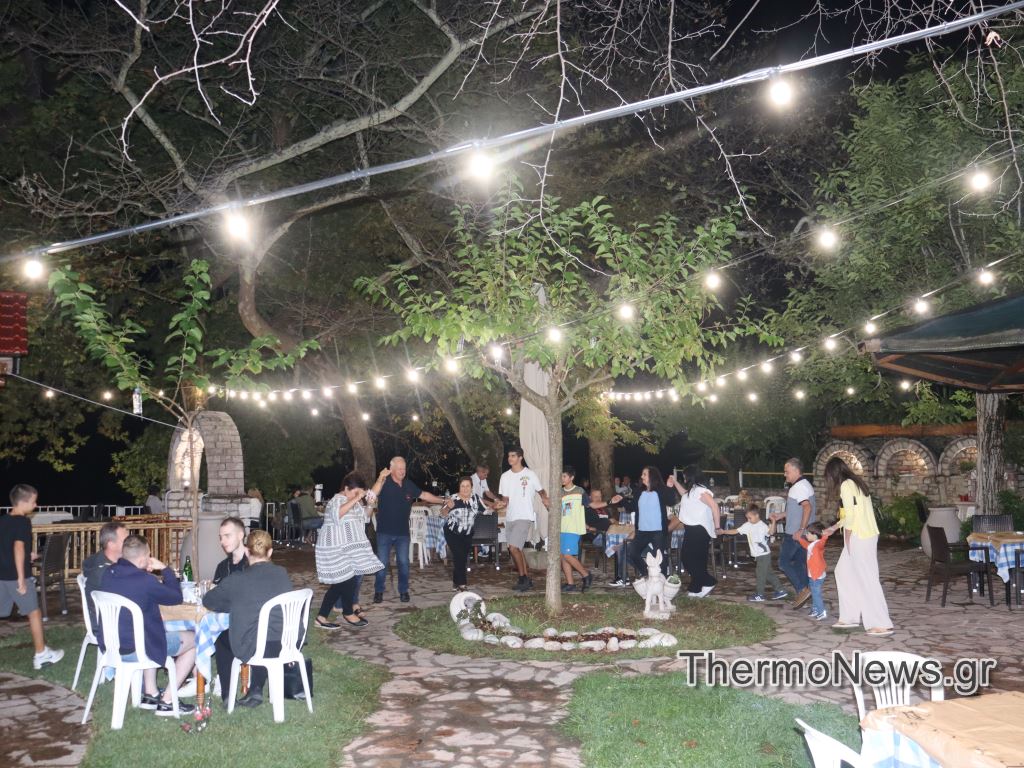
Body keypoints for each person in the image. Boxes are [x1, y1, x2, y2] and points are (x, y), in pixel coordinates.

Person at [101, 535, 196, 715]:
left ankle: (151, 693)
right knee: (195, 640)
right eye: (149, 555)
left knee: (151, 631)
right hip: (136, 649)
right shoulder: (144, 581)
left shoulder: (109, 573)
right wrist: (165, 570)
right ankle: (168, 700)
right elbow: (176, 597)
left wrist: (145, 573)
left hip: (112, 646)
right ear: (142, 559)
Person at [202, 530, 294, 708]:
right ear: (270, 552)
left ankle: (228, 696)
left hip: (258, 646)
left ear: (246, 551)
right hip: (285, 642)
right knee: (261, 631)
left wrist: (231, 604)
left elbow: (209, 601)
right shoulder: (282, 573)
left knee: (223, 640)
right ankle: (256, 689)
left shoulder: (238, 579)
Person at [821, 457, 894, 637]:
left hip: (860, 536)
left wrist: (847, 540)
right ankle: (850, 617)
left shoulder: (846, 485)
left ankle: (881, 624)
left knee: (867, 578)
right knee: (842, 572)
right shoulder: (855, 483)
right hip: (864, 535)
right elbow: (850, 514)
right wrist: (834, 527)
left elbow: (852, 518)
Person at [0, 484, 65, 670]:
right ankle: (41, 655)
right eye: (34, 501)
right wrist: (21, 579)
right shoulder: (23, 522)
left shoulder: (3, 520)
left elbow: (7, 547)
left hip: (2, 575)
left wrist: (28, 556)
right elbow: (18, 547)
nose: (36, 505)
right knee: (34, 612)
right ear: (23, 502)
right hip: (16, 576)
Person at [369, 457, 446, 603]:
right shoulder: (384, 482)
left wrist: (443, 500)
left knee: (404, 563)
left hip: (403, 533)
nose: (402, 471)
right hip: (384, 532)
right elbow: (371, 496)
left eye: (404, 468)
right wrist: (380, 478)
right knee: (382, 563)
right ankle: (378, 591)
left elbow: (424, 495)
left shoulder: (408, 484)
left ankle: (403, 591)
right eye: (399, 469)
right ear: (391, 469)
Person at [314, 473, 383, 629]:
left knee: (343, 583)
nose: (357, 495)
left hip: (346, 548)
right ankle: (347, 613)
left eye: (359, 493)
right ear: (346, 488)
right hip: (333, 548)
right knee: (347, 581)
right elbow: (337, 515)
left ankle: (323, 617)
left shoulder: (353, 502)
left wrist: (370, 505)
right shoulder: (336, 500)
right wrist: (357, 498)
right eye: (355, 492)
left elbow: (365, 518)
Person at [498, 447, 549, 592]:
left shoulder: (530, 474)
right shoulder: (505, 476)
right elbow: (505, 499)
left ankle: (523, 578)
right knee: (516, 548)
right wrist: (500, 504)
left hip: (524, 516)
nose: (510, 458)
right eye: (509, 456)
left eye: (513, 456)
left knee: (513, 548)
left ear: (520, 458)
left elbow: (540, 490)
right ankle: (526, 578)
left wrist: (545, 499)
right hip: (510, 517)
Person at [770, 458, 817, 609]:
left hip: (795, 534)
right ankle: (805, 595)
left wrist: (800, 529)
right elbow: (798, 508)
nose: (785, 475)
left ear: (796, 471)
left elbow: (807, 507)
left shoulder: (797, 488)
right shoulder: (805, 484)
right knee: (799, 564)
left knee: (783, 563)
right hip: (804, 533)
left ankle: (802, 590)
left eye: (787, 471)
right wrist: (781, 515)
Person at [718, 506, 787, 602]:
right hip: (759, 555)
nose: (748, 520)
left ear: (757, 515)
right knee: (768, 574)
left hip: (764, 555)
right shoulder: (748, 525)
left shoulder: (762, 526)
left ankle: (760, 595)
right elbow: (736, 531)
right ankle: (781, 590)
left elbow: (771, 532)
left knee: (760, 574)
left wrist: (774, 521)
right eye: (747, 518)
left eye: (750, 518)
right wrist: (724, 531)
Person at [627, 467, 680, 581]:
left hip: (658, 531)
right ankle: (648, 574)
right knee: (632, 553)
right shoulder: (639, 491)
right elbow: (631, 507)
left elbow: (671, 501)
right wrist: (621, 500)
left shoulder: (660, 490)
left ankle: (662, 580)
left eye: (644, 474)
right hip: (642, 531)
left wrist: (670, 488)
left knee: (659, 557)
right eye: (642, 474)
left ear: (652, 476)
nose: (642, 476)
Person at [674, 466, 719, 597]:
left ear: (690, 476)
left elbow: (714, 506)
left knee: (688, 559)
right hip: (692, 529)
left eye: (685, 476)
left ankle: (708, 582)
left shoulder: (700, 490)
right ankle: (697, 587)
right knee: (696, 560)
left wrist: (717, 527)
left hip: (699, 530)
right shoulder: (692, 491)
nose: (684, 478)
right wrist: (675, 482)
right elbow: (684, 494)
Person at [440, 477, 487, 592]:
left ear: (471, 487)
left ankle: (456, 582)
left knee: (461, 558)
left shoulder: (476, 499)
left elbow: (486, 510)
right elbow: (442, 513)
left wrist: (495, 506)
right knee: (459, 556)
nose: (465, 489)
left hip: (467, 534)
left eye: (467, 486)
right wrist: (448, 507)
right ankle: (462, 584)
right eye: (462, 486)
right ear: (459, 487)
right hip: (452, 532)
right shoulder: (453, 498)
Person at [82, 520, 129, 618]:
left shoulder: (108, 560)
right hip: (110, 621)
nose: (130, 543)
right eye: (126, 540)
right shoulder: (104, 572)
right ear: (111, 544)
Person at [559, 467, 592, 592]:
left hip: (574, 528)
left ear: (571, 477)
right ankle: (570, 583)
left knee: (567, 555)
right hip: (562, 527)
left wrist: (608, 502)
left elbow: (590, 505)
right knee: (563, 556)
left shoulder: (580, 491)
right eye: (561, 476)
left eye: (564, 476)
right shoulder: (560, 492)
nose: (562, 479)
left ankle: (586, 575)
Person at [797, 522, 832, 621]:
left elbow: (822, 542)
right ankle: (815, 609)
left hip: (817, 575)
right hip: (812, 574)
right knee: (813, 592)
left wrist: (825, 536)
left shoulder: (818, 544)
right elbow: (806, 546)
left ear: (815, 535)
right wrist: (799, 539)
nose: (806, 535)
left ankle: (821, 612)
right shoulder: (812, 545)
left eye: (808, 533)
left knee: (816, 594)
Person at [213, 517, 249, 584]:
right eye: (221, 537)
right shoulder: (222, 567)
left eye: (227, 536)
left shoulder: (254, 563)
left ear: (240, 536)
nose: (222, 541)